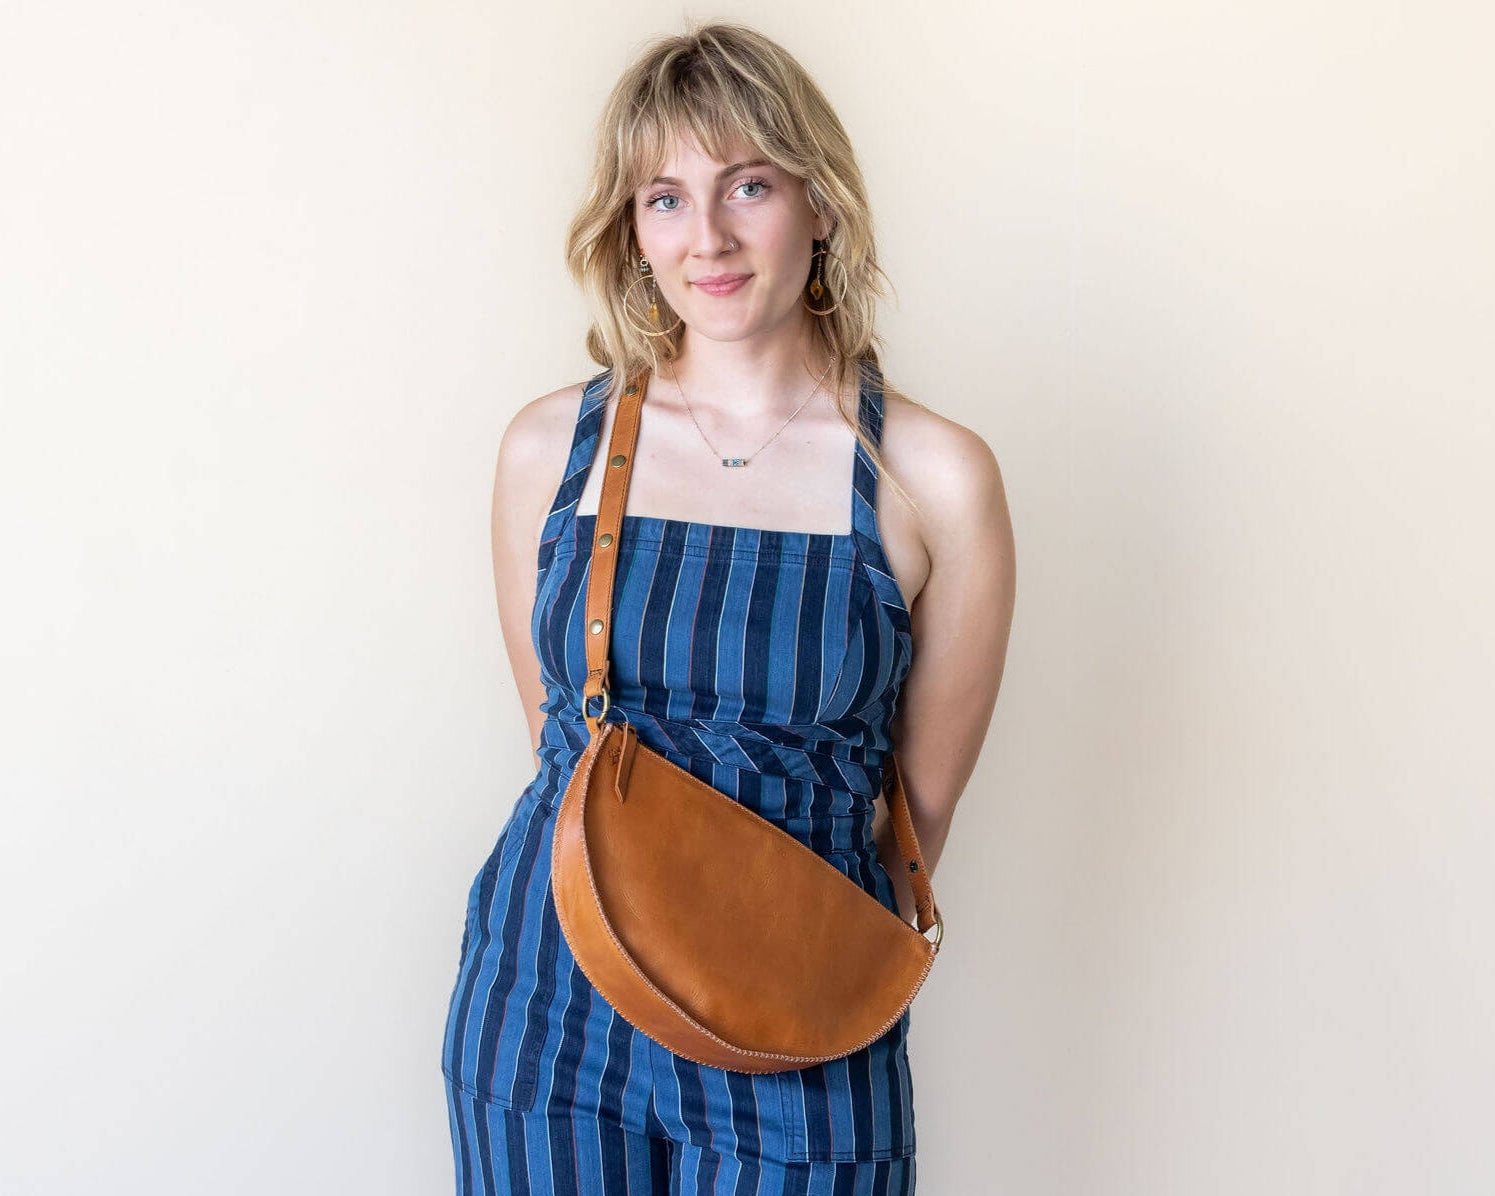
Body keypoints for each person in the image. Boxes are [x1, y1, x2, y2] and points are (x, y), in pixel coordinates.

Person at [441, 21, 1015, 1195]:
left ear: (819, 203)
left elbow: (919, 810)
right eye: (664, 198)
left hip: (800, 1018)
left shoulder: (935, 479)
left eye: (747, 185)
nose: (705, 236)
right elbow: (558, 740)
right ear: (631, 229)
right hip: (544, 1009)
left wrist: (779, 944)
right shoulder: (549, 451)